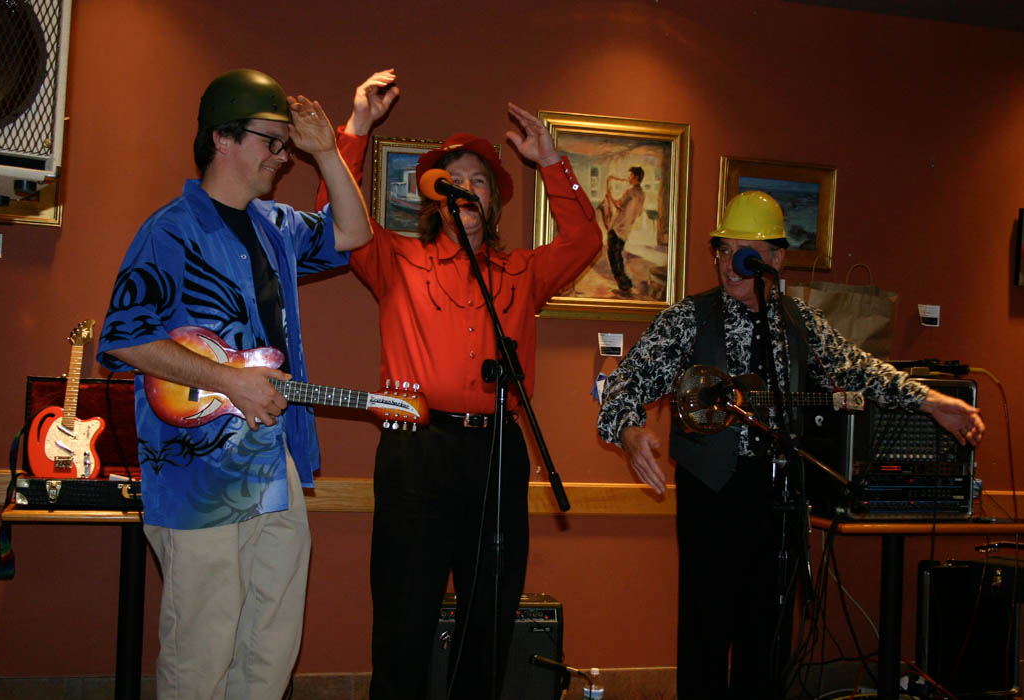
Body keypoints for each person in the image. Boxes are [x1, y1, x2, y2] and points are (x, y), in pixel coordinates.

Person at [596, 190, 984, 700]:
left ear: (774, 259)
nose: (727, 265)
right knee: (706, 632)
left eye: (742, 253)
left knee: (770, 636)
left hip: (779, 498)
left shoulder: (799, 322)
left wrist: (930, 400)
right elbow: (623, 386)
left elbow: (858, 369)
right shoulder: (688, 319)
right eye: (721, 251)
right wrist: (629, 430)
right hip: (710, 491)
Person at [315, 70, 602, 699]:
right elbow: (328, 225)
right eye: (455, 181)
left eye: (479, 182)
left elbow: (585, 240)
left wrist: (551, 161)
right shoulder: (393, 256)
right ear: (434, 198)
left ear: (493, 204)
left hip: (496, 450)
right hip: (416, 450)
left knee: (489, 617)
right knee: (403, 619)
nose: (467, 190)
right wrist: (357, 126)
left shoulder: (522, 272)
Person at [96, 68, 372, 700]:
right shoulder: (170, 230)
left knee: (271, 643)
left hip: (277, 465)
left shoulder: (277, 225)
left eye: (286, 143)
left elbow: (354, 234)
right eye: (271, 141)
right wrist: (231, 381)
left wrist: (327, 149)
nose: (282, 155)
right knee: (203, 650)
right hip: (196, 477)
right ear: (222, 139)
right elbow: (125, 337)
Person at [600, 166, 645, 294]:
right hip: (625, 230)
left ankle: (624, 286)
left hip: (617, 228)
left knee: (614, 257)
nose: (628, 178)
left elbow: (618, 204)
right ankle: (626, 284)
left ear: (636, 177)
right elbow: (639, 213)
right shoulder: (641, 194)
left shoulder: (630, 192)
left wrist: (609, 195)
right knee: (618, 256)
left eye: (630, 176)